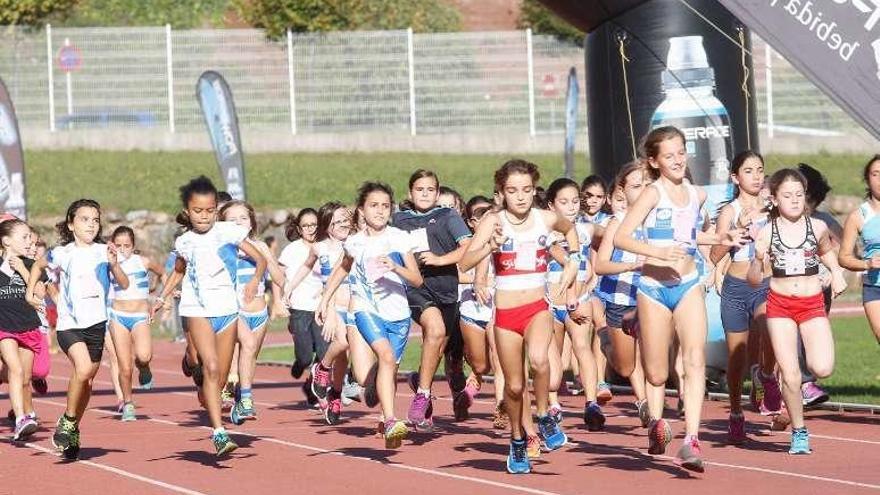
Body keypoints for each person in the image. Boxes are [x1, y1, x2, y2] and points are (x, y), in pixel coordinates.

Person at [613, 126, 744, 472]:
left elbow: (690, 234)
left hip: (688, 283)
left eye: (681, 153)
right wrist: (654, 253)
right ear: (654, 161)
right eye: (669, 156)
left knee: (694, 359)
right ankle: (657, 424)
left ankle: (692, 439)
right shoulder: (652, 195)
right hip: (654, 290)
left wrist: (721, 237)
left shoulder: (697, 194)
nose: (677, 160)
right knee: (656, 374)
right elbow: (624, 237)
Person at [461, 159, 580, 475]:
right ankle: (517, 439)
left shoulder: (544, 218)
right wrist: (490, 246)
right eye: (513, 191)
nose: (521, 197)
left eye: (527, 190)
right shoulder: (494, 222)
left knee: (540, 361)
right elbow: (465, 261)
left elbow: (569, 229)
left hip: (536, 309)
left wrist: (574, 261)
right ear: (501, 192)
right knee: (513, 387)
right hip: (506, 315)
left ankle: (543, 415)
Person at [152, 176, 266, 457]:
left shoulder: (228, 232)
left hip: (227, 310)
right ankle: (218, 432)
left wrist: (253, 282)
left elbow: (260, 259)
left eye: (209, 210)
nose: (204, 216)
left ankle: (210, 399)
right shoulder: (185, 241)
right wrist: (161, 297)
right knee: (212, 368)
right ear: (188, 212)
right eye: (197, 211)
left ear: (216, 209)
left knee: (222, 375)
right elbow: (178, 271)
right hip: (197, 310)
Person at [316, 182, 423, 448]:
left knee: (386, 371)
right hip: (366, 308)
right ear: (362, 209)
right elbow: (342, 269)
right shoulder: (355, 242)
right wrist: (325, 299)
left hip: (398, 316)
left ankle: (386, 424)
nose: (380, 211)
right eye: (374, 205)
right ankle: (390, 420)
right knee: (374, 369)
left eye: (385, 206)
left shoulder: (399, 238)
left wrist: (395, 267)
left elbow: (417, 280)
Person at [747, 168, 846, 454]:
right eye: (787, 195)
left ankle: (781, 391)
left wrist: (836, 272)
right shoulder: (767, 232)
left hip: (811, 303)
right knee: (791, 374)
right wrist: (757, 258)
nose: (793, 200)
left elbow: (827, 251)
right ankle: (799, 431)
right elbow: (754, 279)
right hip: (780, 305)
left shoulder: (817, 227)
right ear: (775, 199)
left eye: (799, 195)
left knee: (822, 367)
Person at [26, 199, 129, 460]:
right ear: (71, 224)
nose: (91, 224)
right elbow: (38, 265)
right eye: (85, 219)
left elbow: (124, 284)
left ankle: (72, 427)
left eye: (95, 220)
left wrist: (114, 264)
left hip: (96, 325)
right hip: (69, 324)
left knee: (87, 381)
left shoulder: (106, 251)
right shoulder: (63, 253)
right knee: (82, 370)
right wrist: (30, 292)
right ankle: (69, 422)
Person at [709, 151, 782, 443]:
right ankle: (736, 412)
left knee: (772, 333)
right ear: (735, 177)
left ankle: (765, 375)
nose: (756, 176)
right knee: (737, 357)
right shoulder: (730, 210)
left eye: (759, 170)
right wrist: (735, 232)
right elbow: (715, 255)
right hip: (736, 288)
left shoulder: (773, 207)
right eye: (748, 170)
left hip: (765, 283)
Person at [392, 170, 472, 429]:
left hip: (446, 290)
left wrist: (440, 260)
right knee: (435, 329)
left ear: (437, 194)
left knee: (436, 346)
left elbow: (468, 245)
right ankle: (423, 395)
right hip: (415, 288)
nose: (424, 194)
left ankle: (420, 383)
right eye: (419, 189)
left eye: (429, 190)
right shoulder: (399, 220)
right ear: (410, 193)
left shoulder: (448, 216)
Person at [595, 161, 663, 429]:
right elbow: (600, 265)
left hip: (650, 299)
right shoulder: (618, 222)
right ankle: (604, 338)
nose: (644, 190)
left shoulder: (661, 218)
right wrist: (631, 265)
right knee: (624, 367)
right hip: (620, 301)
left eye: (648, 184)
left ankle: (651, 411)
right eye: (636, 186)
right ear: (622, 191)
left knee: (653, 360)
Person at [286, 201, 356, 425]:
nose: (344, 224)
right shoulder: (320, 247)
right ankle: (322, 367)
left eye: (347, 220)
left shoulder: (356, 243)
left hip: (355, 304)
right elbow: (306, 266)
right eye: (338, 222)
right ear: (327, 225)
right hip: (331, 305)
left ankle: (335, 393)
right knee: (342, 343)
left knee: (345, 357)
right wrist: (290, 287)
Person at [544, 177, 604, 430]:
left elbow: (606, 239)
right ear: (551, 205)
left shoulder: (587, 229)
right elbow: (562, 258)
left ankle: (592, 404)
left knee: (583, 347)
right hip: (550, 302)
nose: (571, 206)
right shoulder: (544, 233)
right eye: (564, 202)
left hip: (580, 300)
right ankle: (553, 403)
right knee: (554, 358)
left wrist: (594, 271)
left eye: (574, 201)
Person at [220, 200, 285, 424]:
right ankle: (246, 398)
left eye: (243, 218)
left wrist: (263, 257)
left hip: (259, 313)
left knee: (250, 358)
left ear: (251, 222)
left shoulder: (261, 246)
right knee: (245, 347)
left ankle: (240, 396)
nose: (238, 222)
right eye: (232, 219)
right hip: (234, 311)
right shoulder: (222, 248)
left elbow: (279, 279)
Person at [106, 226, 165, 421]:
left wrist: (160, 294)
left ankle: (144, 367)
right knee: (124, 365)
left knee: (144, 355)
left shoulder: (143, 261)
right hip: (118, 316)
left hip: (139, 315)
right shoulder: (108, 263)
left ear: (133, 246)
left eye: (127, 246)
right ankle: (128, 404)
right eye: (119, 245)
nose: (123, 250)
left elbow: (163, 273)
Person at [0, 219, 43, 441]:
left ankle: (25, 414)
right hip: (3, 328)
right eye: (24, 237)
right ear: (7, 241)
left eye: (30, 237)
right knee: (15, 370)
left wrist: (23, 271)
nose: (30, 242)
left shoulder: (31, 264)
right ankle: (21, 419)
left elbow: (40, 293)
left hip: (27, 325)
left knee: (25, 378)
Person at [279, 208, 325, 406]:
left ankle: (311, 384)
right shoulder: (292, 250)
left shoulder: (326, 247)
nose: (310, 229)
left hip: (321, 308)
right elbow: (279, 276)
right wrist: (280, 298)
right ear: (299, 228)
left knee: (324, 354)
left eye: (314, 224)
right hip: (299, 307)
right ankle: (300, 363)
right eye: (306, 226)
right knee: (306, 356)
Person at [839, 155, 880, 344]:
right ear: (867, 178)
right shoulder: (858, 216)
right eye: (875, 174)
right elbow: (844, 257)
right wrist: (867, 263)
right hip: (874, 288)